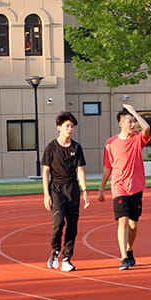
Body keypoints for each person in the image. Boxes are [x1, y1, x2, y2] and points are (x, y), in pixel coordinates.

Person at [97, 104, 151, 270]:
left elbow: (147, 127)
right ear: (120, 123)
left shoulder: (137, 140)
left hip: (136, 186)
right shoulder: (110, 143)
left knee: (133, 224)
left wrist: (134, 111)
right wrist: (101, 188)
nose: (132, 125)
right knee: (123, 220)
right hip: (119, 186)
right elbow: (108, 167)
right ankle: (123, 258)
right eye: (129, 121)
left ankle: (129, 249)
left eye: (134, 122)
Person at [42, 111, 90, 272]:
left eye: (72, 126)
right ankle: (55, 251)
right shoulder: (51, 147)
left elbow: (80, 170)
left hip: (72, 189)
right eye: (67, 126)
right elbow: (45, 171)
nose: (70, 129)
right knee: (58, 222)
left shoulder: (76, 147)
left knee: (72, 225)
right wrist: (46, 195)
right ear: (59, 127)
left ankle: (67, 258)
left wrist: (84, 191)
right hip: (56, 188)